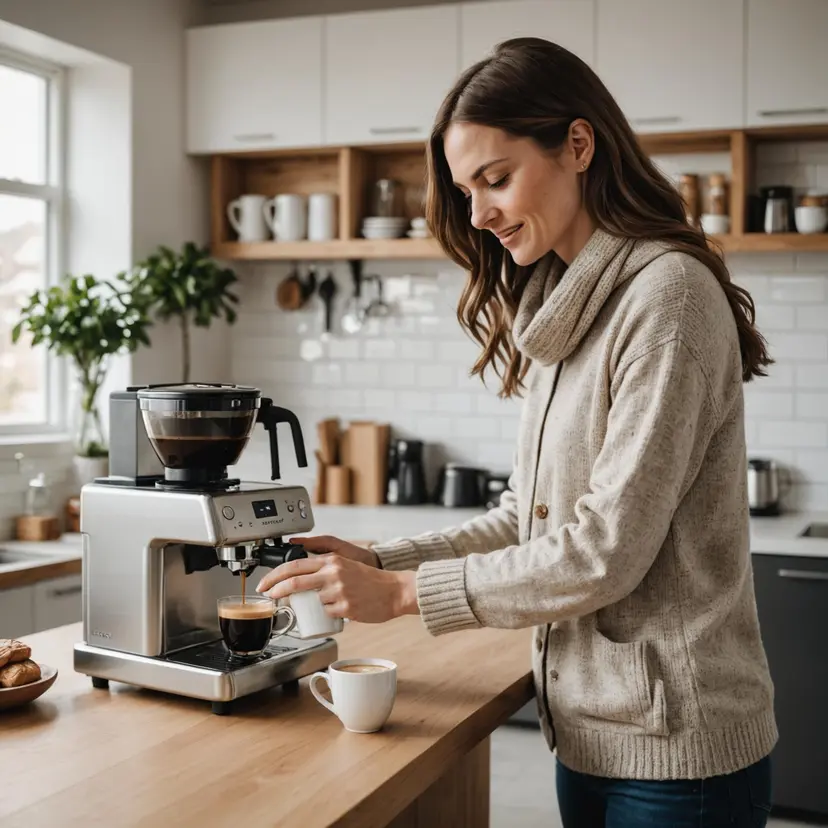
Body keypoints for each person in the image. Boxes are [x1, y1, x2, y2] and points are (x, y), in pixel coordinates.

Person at [257, 38, 778, 827]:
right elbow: (526, 519)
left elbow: (605, 551)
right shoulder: (563, 303)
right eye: (466, 190)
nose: (478, 214)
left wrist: (401, 594)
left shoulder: (666, 298)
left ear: (578, 144)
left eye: (496, 179)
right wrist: (379, 560)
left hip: (681, 752)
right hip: (593, 736)